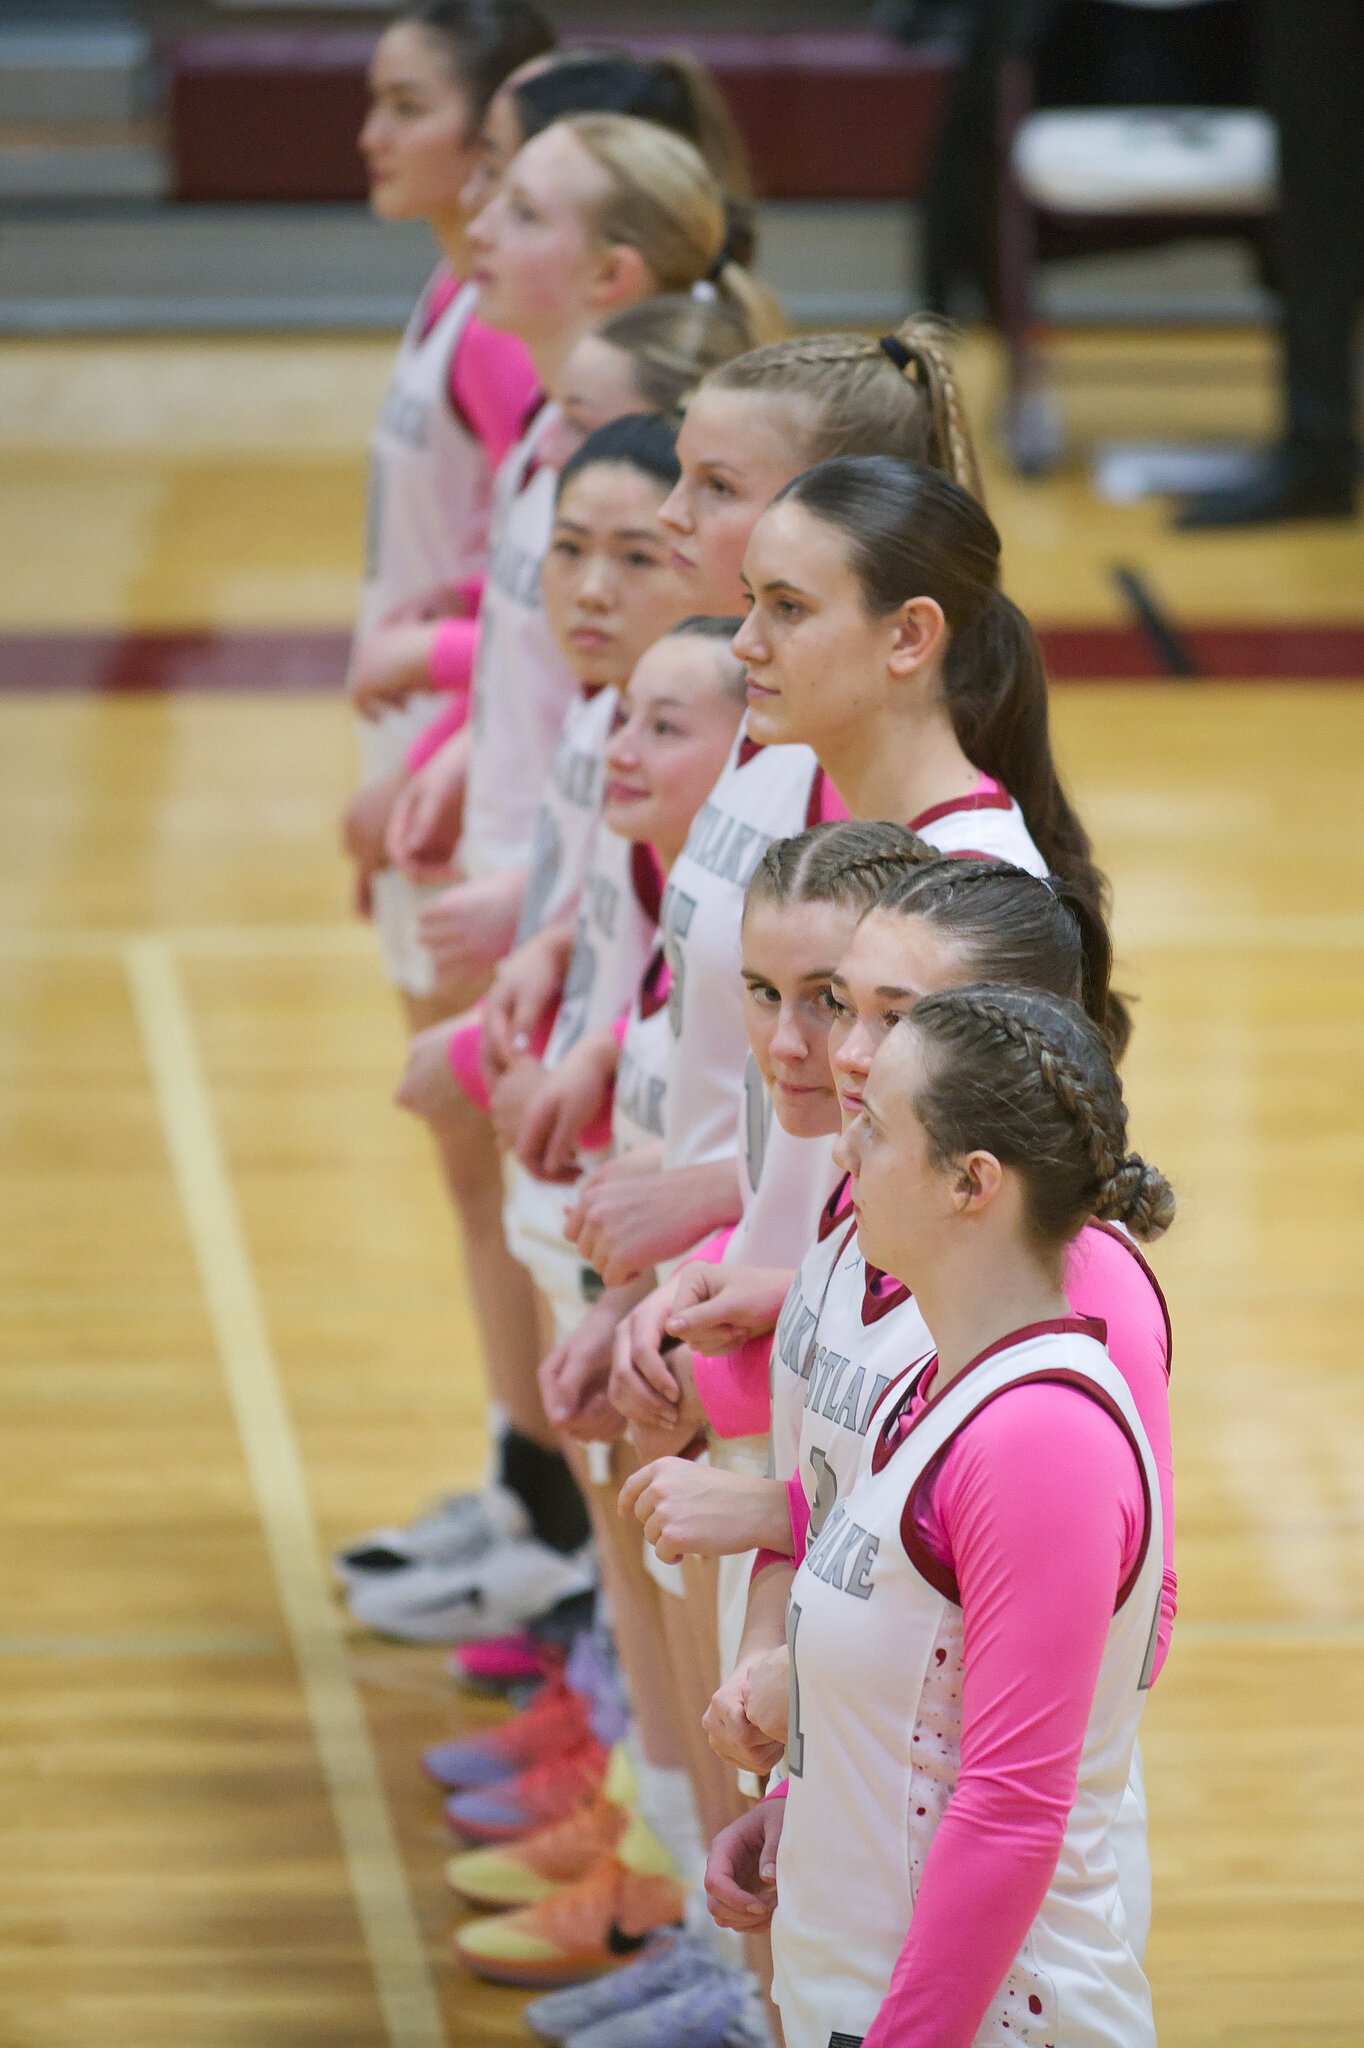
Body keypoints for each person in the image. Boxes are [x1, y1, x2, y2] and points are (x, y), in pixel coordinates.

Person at [710, 984, 1174, 2048]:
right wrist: (803, 1816)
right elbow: (920, 1717)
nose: (843, 1154)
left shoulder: (1039, 1442)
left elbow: (1010, 1812)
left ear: (973, 1183)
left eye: (876, 1130)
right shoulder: (928, 1393)